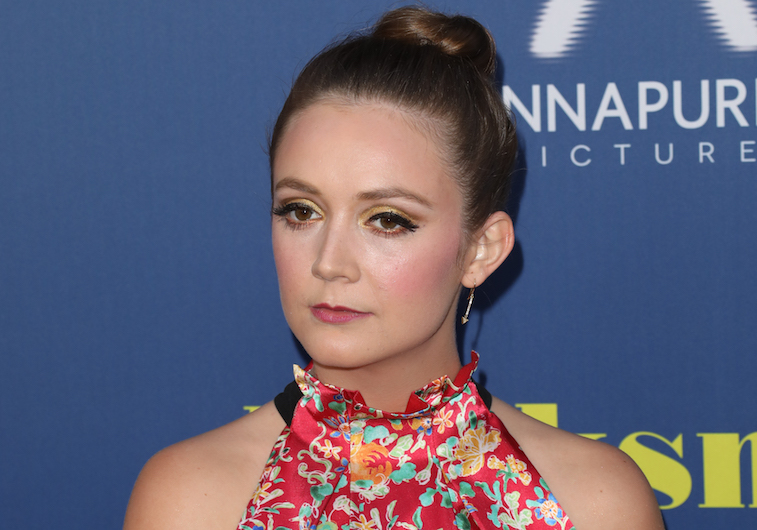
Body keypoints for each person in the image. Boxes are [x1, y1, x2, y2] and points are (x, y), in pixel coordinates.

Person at [124, 6, 664, 530]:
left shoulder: (593, 504)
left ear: (480, 249)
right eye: (301, 211)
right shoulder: (190, 500)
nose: (329, 263)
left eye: (387, 219)